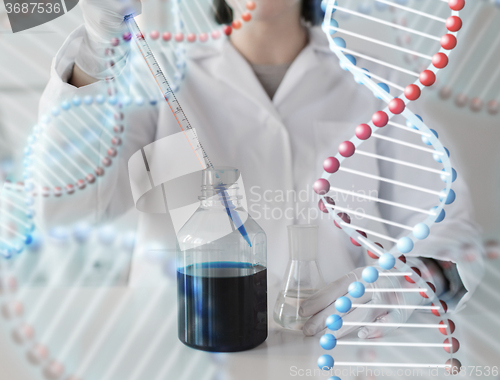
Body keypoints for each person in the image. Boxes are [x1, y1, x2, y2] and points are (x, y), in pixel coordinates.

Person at [38, 0, 484, 338]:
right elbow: (71, 209)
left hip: (331, 349)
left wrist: (417, 278)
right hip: (179, 351)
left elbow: (448, 231)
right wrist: (97, 52)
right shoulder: (152, 78)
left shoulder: (375, 84)